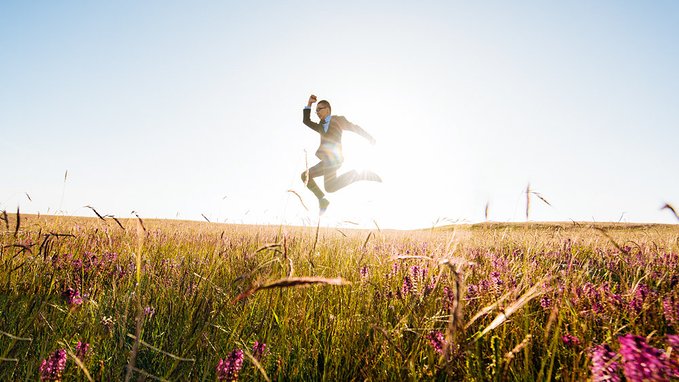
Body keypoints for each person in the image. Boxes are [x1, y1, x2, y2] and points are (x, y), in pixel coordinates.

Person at [301, 94, 381, 214]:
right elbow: (306, 121)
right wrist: (309, 104)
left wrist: (369, 138)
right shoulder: (320, 127)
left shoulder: (338, 120)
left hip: (334, 159)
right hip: (326, 161)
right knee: (307, 177)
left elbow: (355, 128)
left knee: (328, 186)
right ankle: (322, 200)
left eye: (319, 109)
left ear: (327, 110)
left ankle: (358, 175)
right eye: (316, 110)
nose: (317, 112)